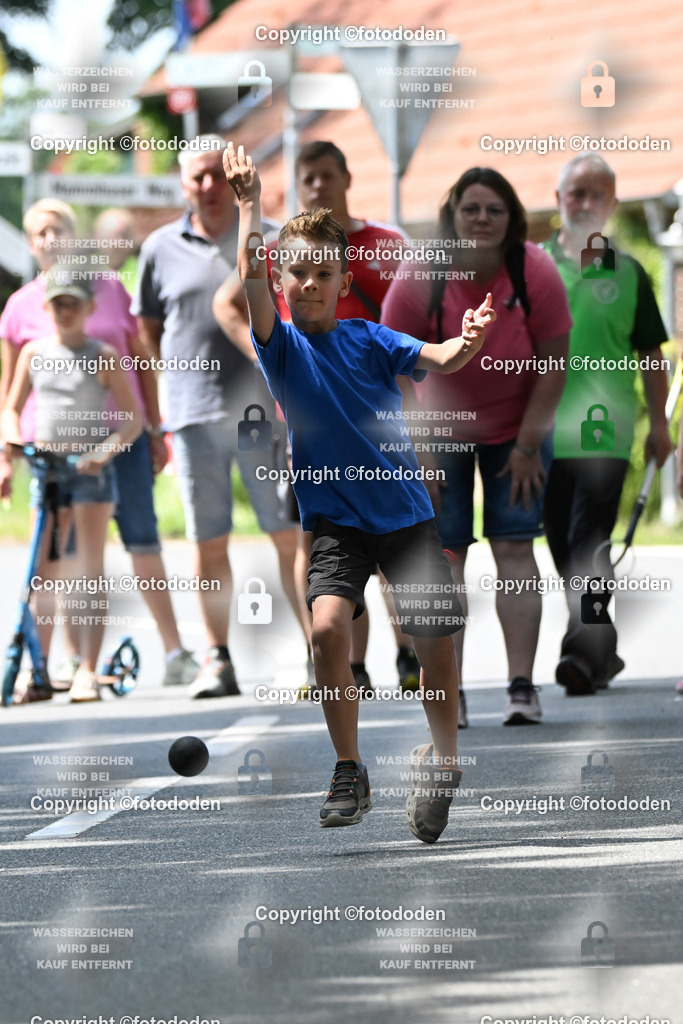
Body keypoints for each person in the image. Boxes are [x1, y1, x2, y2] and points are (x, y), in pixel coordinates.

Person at [222, 141, 495, 842]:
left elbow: (439, 356)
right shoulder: (280, 347)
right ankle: (349, 767)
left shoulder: (369, 338)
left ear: (341, 279)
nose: (308, 283)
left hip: (404, 516)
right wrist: (252, 204)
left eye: (321, 273)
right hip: (337, 524)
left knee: (435, 641)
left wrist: (465, 340)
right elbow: (249, 281)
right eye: (297, 274)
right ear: (281, 282)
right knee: (323, 631)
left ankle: (442, 763)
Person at [213, 140, 420, 697]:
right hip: (312, 433)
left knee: (390, 551)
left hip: (380, 436)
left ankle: (408, 654)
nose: (318, 185)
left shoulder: (382, 249)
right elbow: (239, 291)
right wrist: (271, 355)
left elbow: (414, 337)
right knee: (323, 548)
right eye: (308, 176)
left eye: (328, 174)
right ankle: (339, 665)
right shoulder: (286, 262)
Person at [382, 168, 572, 726]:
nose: (483, 219)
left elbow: (554, 363)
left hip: (517, 428)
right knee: (446, 558)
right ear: (453, 216)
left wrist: (529, 444)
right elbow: (397, 367)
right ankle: (450, 691)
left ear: (512, 219)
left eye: (495, 209)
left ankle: (521, 688)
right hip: (438, 430)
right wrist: (419, 451)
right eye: (471, 209)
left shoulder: (533, 268)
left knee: (515, 550)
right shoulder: (423, 271)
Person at [0, 198, 199, 689]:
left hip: (118, 440)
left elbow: (141, 361)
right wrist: (7, 454)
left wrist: (154, 429)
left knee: (140, 539)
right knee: (58, 556)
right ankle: (65, 663)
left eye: (57, 229)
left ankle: (174, 651)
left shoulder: (110, 290)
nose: (49, 239)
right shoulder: (20, 307)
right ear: (29, 243)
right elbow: (10, 393)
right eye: (39, 232)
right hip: (50, 452)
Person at [132, 135, 305, 699]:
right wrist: (168, 399)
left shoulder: (271, 237)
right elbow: (149, 333)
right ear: (182, 184)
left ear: (233, 179)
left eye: (216, 175)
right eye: (196, 177)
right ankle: (218, 659)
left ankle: (316, 654)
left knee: (289, 537)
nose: (208, 186)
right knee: (209, 542)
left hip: (265, 414)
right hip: (192, 413)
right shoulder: (159, 247)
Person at [541, 155, 672, 694]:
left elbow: (651, 356)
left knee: (588, 542)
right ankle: (603, 647)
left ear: (613, 204)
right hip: (542, 434)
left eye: (597, 194)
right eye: (576, 193)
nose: (585, 203)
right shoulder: (534, 266)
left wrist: (660, 428)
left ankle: (580, 652)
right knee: (560, 544)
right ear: (559, 200)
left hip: (606, 434)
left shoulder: (631, 273)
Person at [1, 266, 143, 701]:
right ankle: (39, 670)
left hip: (89, 473)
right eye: (57, 304)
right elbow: (11, 408)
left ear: (88, 308)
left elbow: (133, 420)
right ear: (47, 309)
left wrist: (102, 454)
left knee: (88, 572)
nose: (65, 311)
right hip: (47, 471)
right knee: (43, 574)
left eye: (73, 304)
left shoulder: (102, 354)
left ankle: (86, 669)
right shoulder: (34, 353)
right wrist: (13, 443)